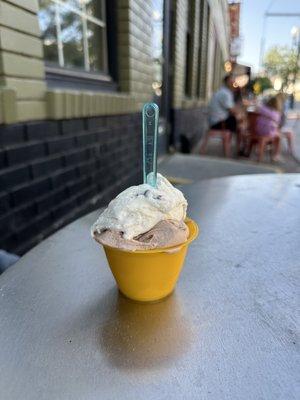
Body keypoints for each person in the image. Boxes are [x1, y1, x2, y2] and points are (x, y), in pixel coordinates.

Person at [256, 96, 281, 161]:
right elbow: (277, 122)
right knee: (278, 137)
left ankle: (261, 157)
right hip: (268, 132)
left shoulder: (262, 109)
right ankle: (275, 155)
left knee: (275, 134)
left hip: (258, 130)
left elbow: (257, 108)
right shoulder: (276, 113)